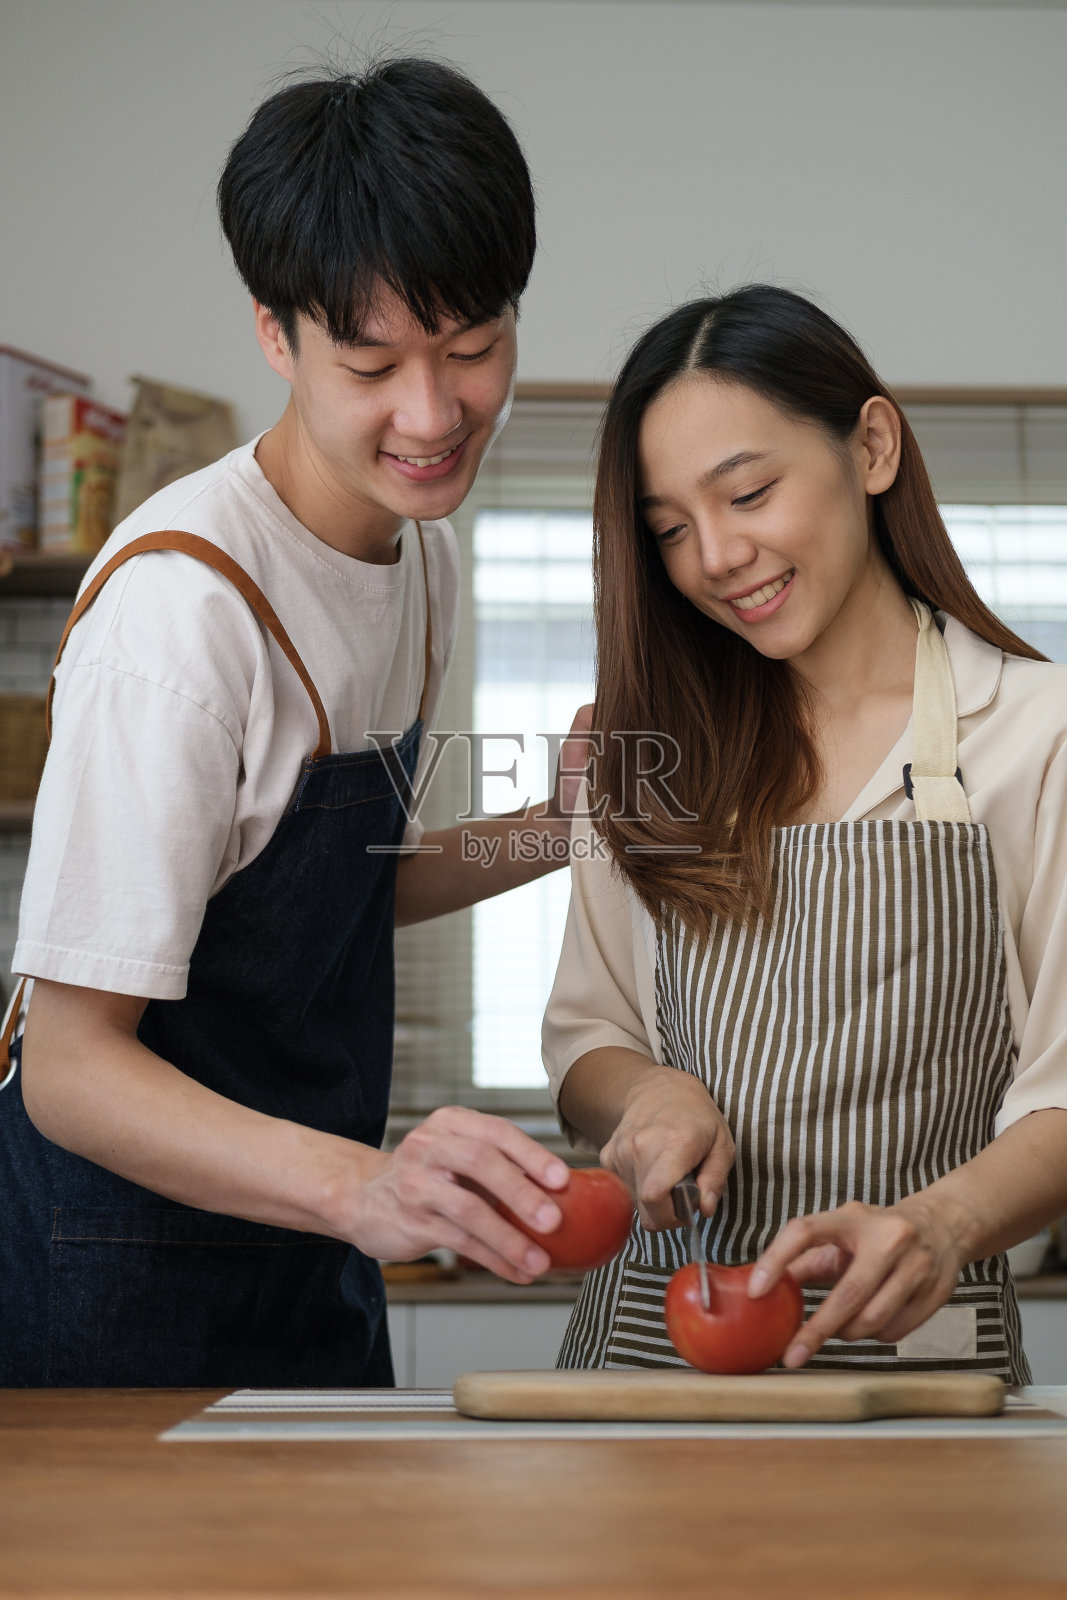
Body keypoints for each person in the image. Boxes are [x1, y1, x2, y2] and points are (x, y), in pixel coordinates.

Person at [0, 57, 584, 1388]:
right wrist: (361, 1186)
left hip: (305, 1257)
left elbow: (322, 897)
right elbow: (69, 1071)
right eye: (371, 364)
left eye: (473, 350)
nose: (431, 414)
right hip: (113, 1284)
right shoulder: (183, 614)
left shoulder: (419, 555)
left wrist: (558, 828)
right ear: (276, 335)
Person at [542, 284, 1067, 1381]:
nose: (714, 556)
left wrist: (943, 1222)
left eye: (748, 493)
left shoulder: (1036, 733)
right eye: (669, 529)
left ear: (870, 447)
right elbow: (589, 1034)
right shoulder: (646, 751)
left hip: (913, 1370)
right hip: (650, 1366)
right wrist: (645, 1092)